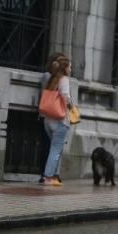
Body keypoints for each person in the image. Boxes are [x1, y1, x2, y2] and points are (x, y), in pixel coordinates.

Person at [40, 56, 72, 186]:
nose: (71, 69)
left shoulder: (52, 79)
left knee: (54, 149)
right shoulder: (64, 80)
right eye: (70, 66)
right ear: (64, 68)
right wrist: (71, 106)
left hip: (48, 120)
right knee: (56, 150)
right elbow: (65, 98)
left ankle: (51, 176)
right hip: (60, 120)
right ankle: (48, 177)